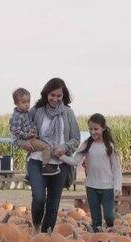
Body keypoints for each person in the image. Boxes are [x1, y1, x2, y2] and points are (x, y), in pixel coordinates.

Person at [16, 78, 80, 234]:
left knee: (53, 204)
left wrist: (64, 147)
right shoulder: (36, 111)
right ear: (46, 93)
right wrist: (23, 143)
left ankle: (46, 237)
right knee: (38, 198)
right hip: (37, 161)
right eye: (52, 95)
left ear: (63, 96)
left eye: (59, 96)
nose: (55, 99)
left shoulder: (68, 113)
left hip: (60, 163)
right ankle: (37, 228)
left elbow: (76, 138)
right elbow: (17, 129)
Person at [60, 113, 123, 232]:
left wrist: (117, 186)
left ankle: (110, 232)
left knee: (109, 216)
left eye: (96, 129)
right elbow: (75, 161)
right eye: (90, 129)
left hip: (107, 187)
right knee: (96, 219)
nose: (93, 132)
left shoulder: (109, 146)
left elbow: (116, 168)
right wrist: (61, 157)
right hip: (91, 186)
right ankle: (97, 238)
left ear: (103, 128)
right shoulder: (87, 144)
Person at [9, 88, 57, 176]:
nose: (27, 105)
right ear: (16, 103)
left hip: (29, 138)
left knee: (31, 153)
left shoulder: (26, 113)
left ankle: (28, 174)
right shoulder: (17, 116)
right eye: (23, 102)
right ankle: (45, 166)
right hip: (24, 139)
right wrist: (27, 135)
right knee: (46, 147)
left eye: (28, 102)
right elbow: (15, 131)